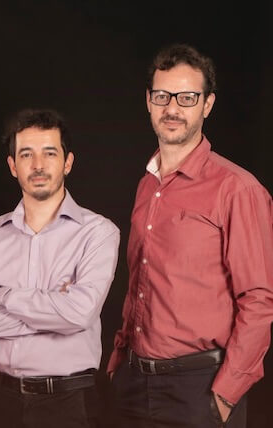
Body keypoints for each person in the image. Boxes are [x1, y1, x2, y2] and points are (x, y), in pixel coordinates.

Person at [108, 44, 273, 428]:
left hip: (199, 390)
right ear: (148, 101)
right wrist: (119, 358)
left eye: (187, 98)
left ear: (207, 105)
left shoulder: (237, 189)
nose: (172, 108)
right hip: (134, 383)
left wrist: (226, 393)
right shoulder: (147, 185)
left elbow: (259, 298)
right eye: (162, 96)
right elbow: (140, 281)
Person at [0, 109, 120, 428]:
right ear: (12, 166)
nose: (38, 165)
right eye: (26, 154)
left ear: (67, 162)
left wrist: (4, 296)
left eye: (49, 153)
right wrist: (56, 313)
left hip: (68, 403)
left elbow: (79, 314)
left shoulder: (98, 232)